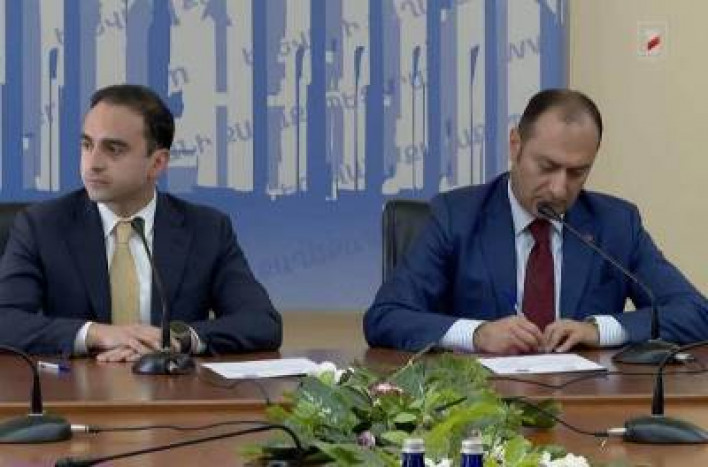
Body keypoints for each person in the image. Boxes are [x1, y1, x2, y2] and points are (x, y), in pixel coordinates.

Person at [365, 88, 708, 354]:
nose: (559, 188)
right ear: (515, 145)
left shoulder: (616, 224)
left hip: (583, 400)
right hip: (481, 405)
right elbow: (385, 316)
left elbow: (695, 313)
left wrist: (599, 330)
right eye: (547, 167)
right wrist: (477, 334)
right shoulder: (456, 216)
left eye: (577, 172)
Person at [0, 84, 282, 359]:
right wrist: (97, 334)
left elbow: (261, 321)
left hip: (173, 388)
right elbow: (5, 320)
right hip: (77, 387)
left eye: (113, 149)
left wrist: (176, 339)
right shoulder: (41, 226)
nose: (93, 163)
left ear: (157, 163)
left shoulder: (206, 229)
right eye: (87, 145)